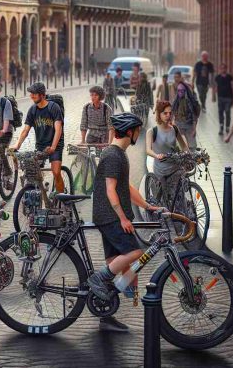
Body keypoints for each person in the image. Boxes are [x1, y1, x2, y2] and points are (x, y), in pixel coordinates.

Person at [87, 112, 164, 332]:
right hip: (109, 215)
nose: (139, 134)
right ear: (130, 131)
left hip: (109, 215)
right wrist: (122, 218)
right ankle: (97, 279)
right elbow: (111, 190)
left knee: (121, 264)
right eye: (138, 130)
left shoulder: (119, 154)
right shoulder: (113, 155)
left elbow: (126, 188)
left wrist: (147, 206)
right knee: (137, 253)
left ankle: (106, 310)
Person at [11, 82, 66, 192]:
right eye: (31, 94)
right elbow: (25, 130)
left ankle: (62, 197)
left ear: (42, 95)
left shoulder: (53, 108)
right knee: (33, 172)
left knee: (56, 172)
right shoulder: (33, 110)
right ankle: (41, 190)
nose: (32, 96)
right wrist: (17, 145)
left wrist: (53, 147)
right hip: (40, 145)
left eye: (34, 94)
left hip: (55, 144)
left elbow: (58, 129)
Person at [145, 101, 189, 204]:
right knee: (165, 198)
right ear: (159, 114)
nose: (168, 115)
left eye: (170, 113)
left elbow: (184, 147)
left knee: (180, 192)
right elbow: (148, 150)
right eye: (165, 113)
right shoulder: (152, 131)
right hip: (161, 168)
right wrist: (157, 155)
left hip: (175, 165)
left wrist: (189, 156)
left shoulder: (174, 129)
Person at [172, 81, 198, 148]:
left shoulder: (190, 102)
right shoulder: (176, 101)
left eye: (182, 90)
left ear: (185, 91)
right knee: (180, 148)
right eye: (178, 90)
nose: (180, 92)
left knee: (192, 147)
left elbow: (194, 116)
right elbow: (173, 113)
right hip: (179, 127)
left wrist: (194, 129)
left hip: (189, 127)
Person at [213, 63, 233, 136]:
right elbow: (215, 87)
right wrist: (213, 96)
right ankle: (221, 127)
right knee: (220, 112)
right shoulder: (217, 77)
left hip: (228, 97)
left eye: (224, 68)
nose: (223, 70)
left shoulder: (230, 77)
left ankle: (227, 126)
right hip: (220, 97)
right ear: (220, 69)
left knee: (227, 111)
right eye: (222, 68)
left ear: (226, 69)